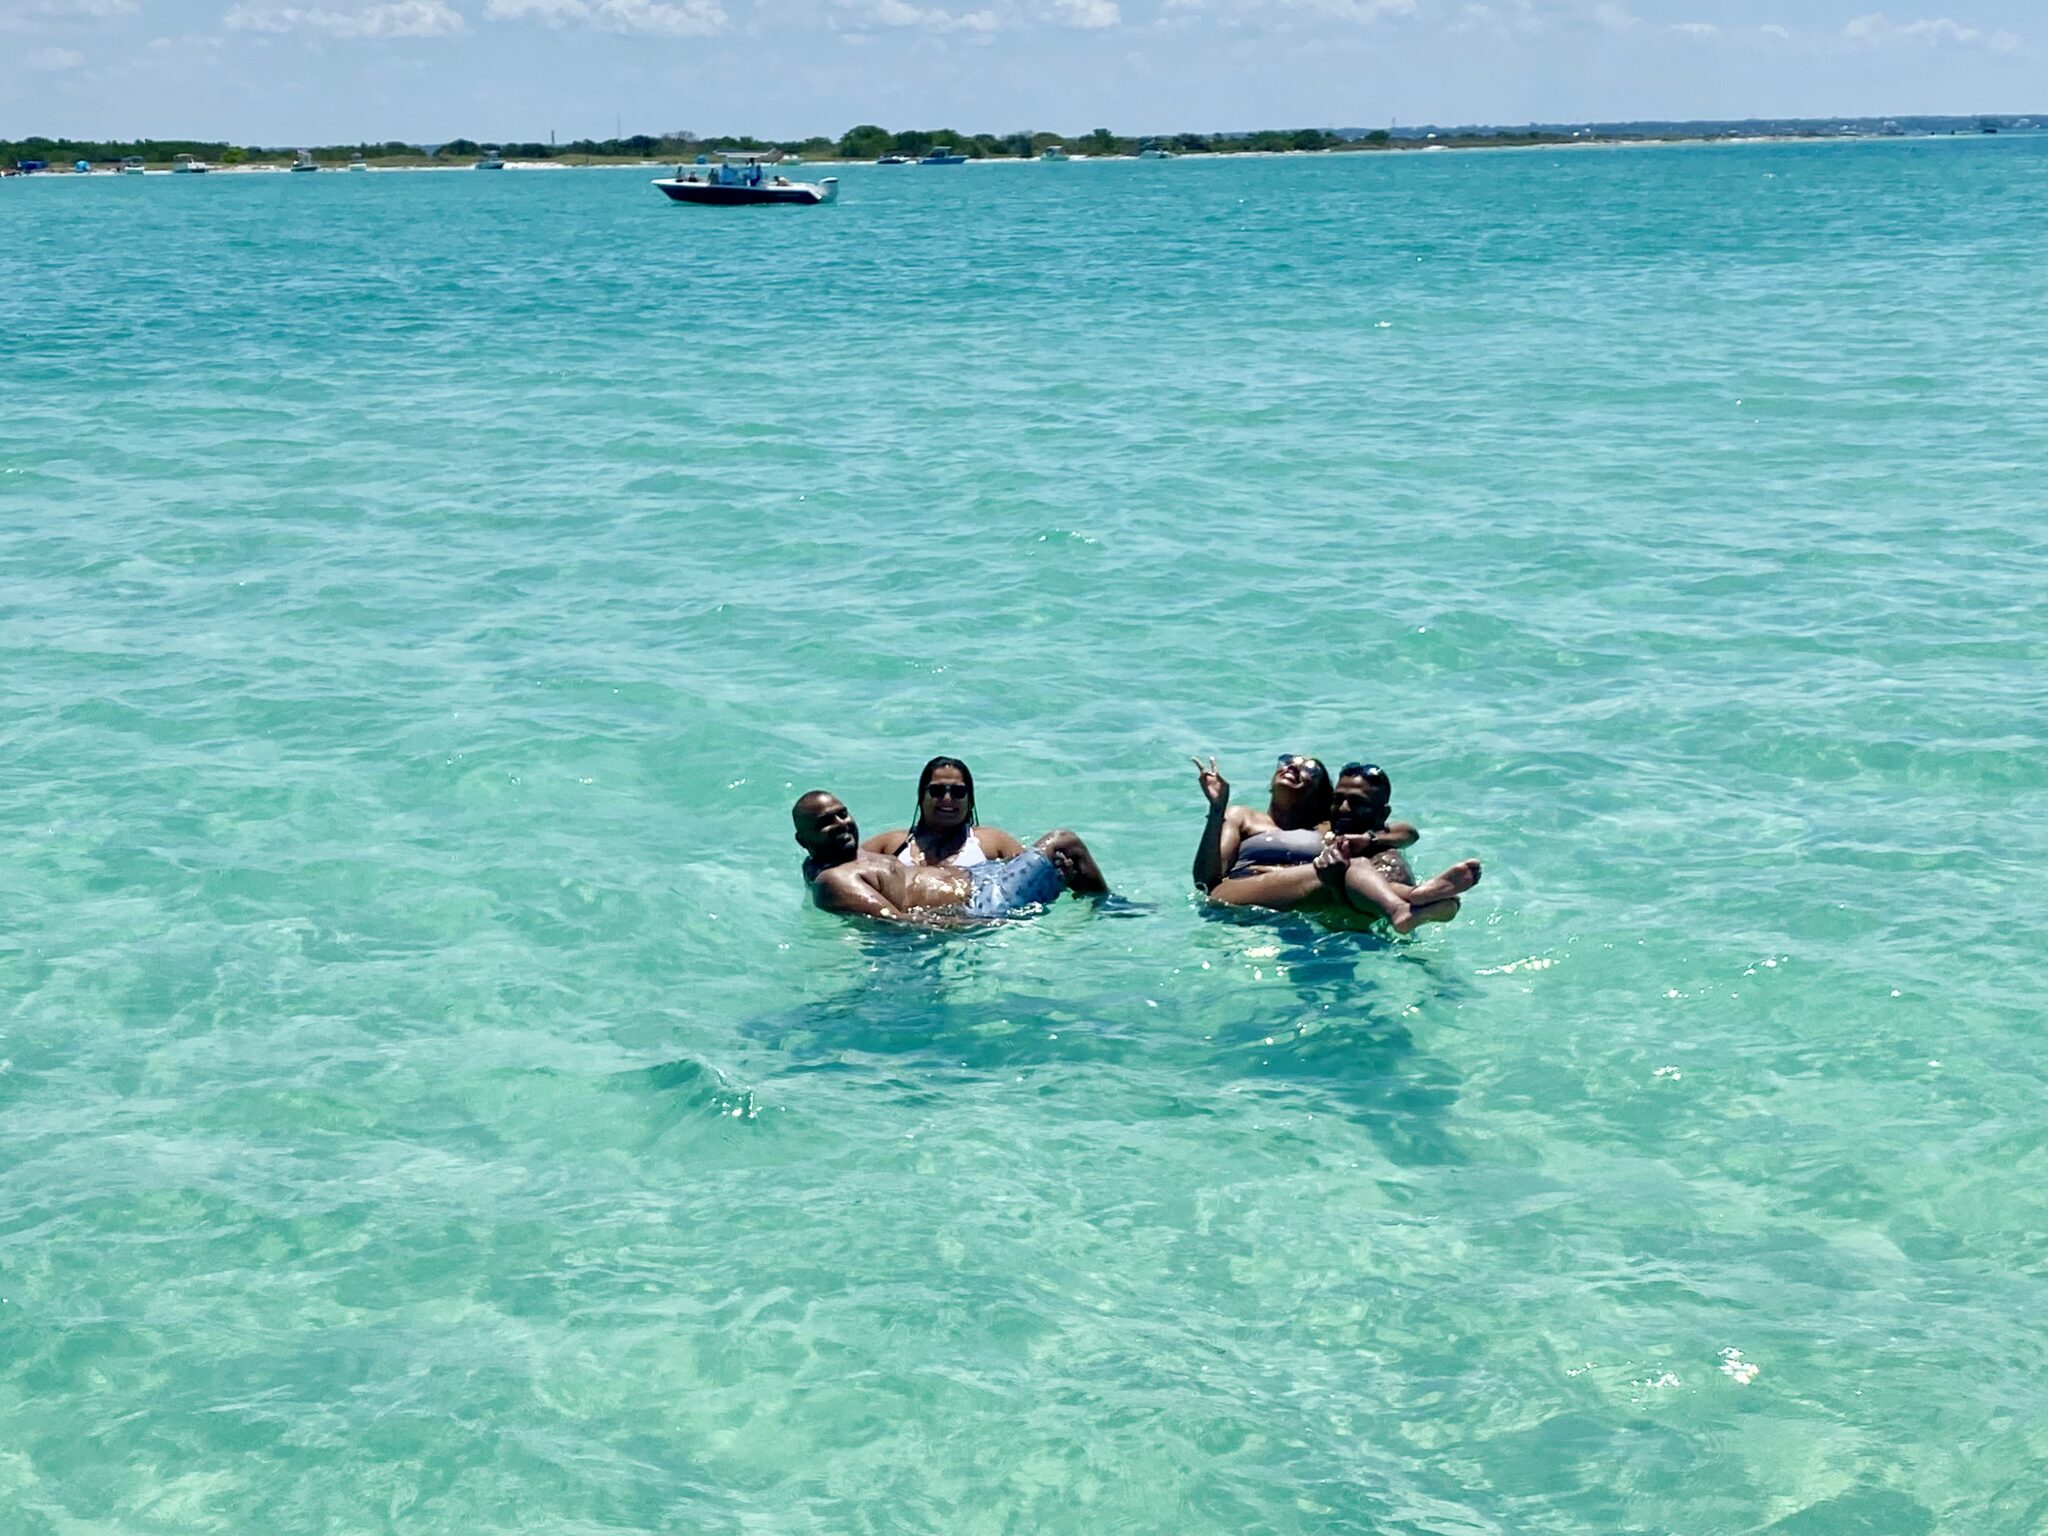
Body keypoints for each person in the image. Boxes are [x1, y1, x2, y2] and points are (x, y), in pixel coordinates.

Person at [1193, 756, 1480, 932]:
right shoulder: (1244, 816)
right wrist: (1218, 808)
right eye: (1287, 760)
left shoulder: (1327, 825)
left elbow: (1407, 832)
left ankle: (1423, 903)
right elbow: (1206, 882)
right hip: (1234, 895)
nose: (1292, 765)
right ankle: (1409, 902)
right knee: (1350, 866)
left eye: (1309, 769)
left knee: (1370, 859)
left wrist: (1367, 838)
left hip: (1303, 892)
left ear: (1320, 795)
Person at [794, 791, 1108, 923]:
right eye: (825, 822)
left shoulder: (853, 856)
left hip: (984, 877)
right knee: (1064, 843)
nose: (841, 824)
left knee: (1057, 862)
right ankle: (1109, 908)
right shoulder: (835, 880)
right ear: (803, 840)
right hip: (980, 904)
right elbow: (896, 925)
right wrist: (971, 924)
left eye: (842, 814)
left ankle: (1085, 899)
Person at [860, 756, 1027, 870]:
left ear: (970, 801)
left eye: (958, 792)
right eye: (937, 790)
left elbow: (1034, 875)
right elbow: (842, 870)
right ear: (921, 796)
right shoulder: (891, 845)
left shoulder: (994, 843)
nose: (947, 799)